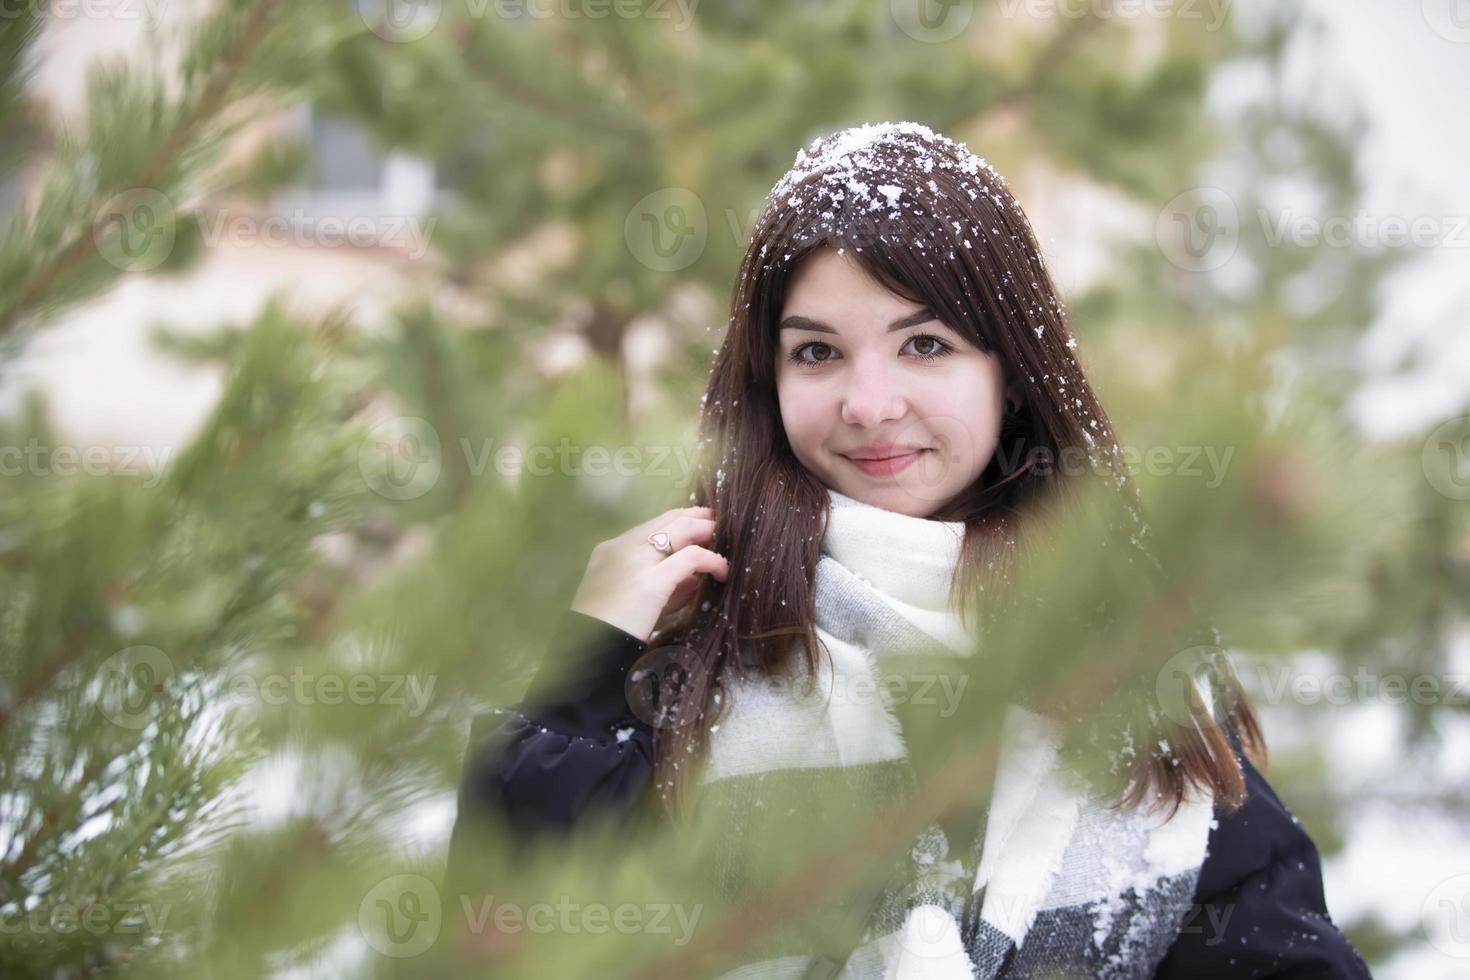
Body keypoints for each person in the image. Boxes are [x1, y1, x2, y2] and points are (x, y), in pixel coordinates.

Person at [447, 122, 1372, 978]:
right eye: (817, 353)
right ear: (768, 378)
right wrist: (576, 669)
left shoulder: (1127, 666)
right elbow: (507, 924)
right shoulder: (692, 636)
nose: (869, 404)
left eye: (924, 344)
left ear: (1011, 374)